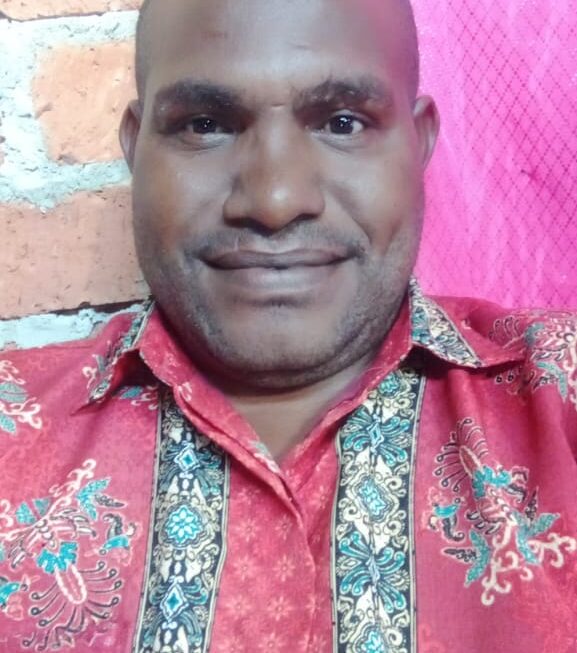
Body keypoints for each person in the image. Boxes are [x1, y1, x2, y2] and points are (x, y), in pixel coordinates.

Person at [1, 0, 576, 651]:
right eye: (205, 125)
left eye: (341, 122)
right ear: (135, 147)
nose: (275, 201)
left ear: (418, 142)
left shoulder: (559, 395)